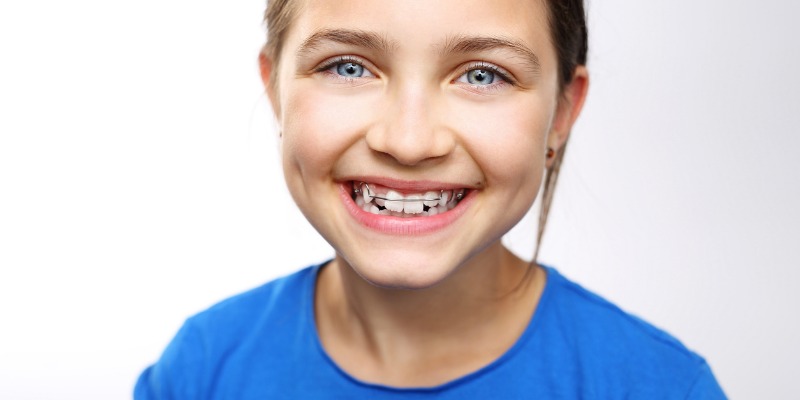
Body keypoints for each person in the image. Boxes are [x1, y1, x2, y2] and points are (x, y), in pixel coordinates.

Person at [135, 0, 726, 398]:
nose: (409, 141)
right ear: (275, 91)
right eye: (347, 66)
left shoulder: (656, 387)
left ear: (561, 114)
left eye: (482, 75)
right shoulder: (202, 371)